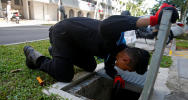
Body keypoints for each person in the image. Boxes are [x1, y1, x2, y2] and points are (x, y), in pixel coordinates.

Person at [23, 3, 178, 88]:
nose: (124, 71)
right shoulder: (115, 38)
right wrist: (152, 19)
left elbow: (109, 67)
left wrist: (116, 76)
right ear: (125, 60)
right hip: (63, 34)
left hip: (76, 44)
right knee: (65, 75)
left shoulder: (115, 53)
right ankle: (35, 57)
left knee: (91, 66)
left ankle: (57, 53)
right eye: (127, 69)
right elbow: (108, 24)